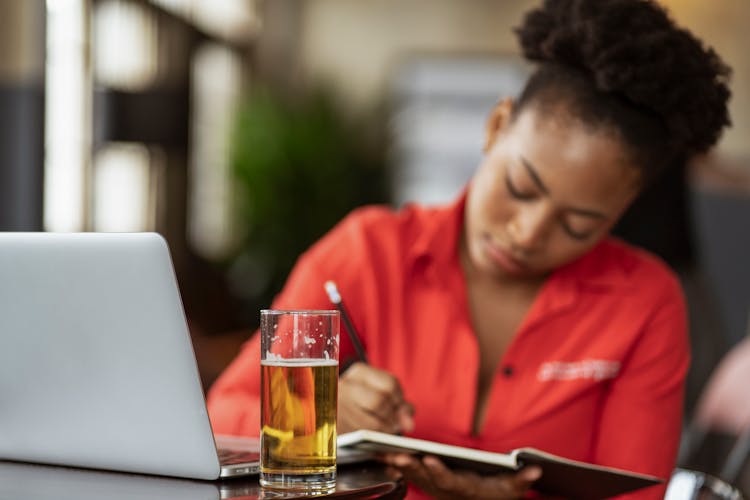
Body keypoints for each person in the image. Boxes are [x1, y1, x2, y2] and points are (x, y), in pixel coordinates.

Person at [207, 0, 731, 498]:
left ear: (622, 211)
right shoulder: (365, 253)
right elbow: (222, 417)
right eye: (521, 188)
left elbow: (635, 495)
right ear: (497, 125)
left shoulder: (645, 301)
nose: (527, 234)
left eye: (578, 225)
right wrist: (317, 418)